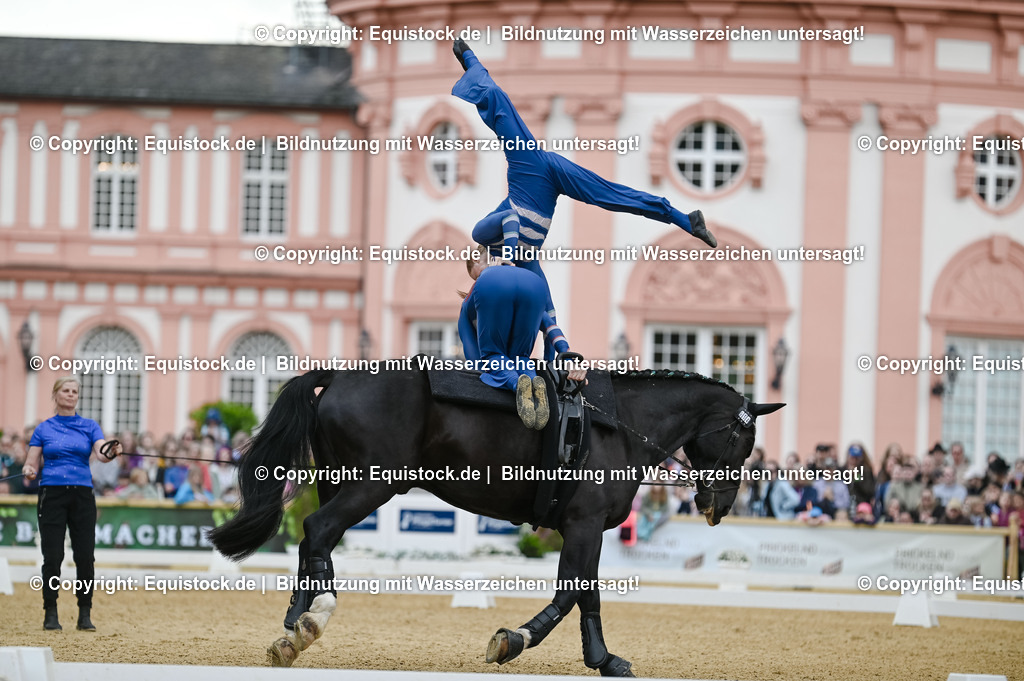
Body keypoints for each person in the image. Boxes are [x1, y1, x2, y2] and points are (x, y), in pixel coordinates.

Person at [451, 40, 715, 356]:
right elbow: (548, 314)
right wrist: (558, 356)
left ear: (480, 256)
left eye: (477, 270)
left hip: (529, 170)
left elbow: (509, 219)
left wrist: (506, 254)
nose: (482, 276)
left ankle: (470, 59)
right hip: (551, 183)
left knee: (500, 106)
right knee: (609, 195)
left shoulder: (484, 234)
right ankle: (686, 220)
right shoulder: (529, 266)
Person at [23, 377, 122, 632]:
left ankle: (84, 613)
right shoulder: (43, 429)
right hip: (52, 494)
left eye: (74, 391)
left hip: (82, 495)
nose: (70, 395)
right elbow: (31, 463)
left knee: (85, 556)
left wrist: (111, 452)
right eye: (66, 391)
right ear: (55, 395)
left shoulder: (89, 426)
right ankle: (51, 612)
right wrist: (29, 469)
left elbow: (101, 453)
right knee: (53, 556)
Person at [458, 248, 585, 429]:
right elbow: (549, 326)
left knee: (492, 355)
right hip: (535, 284)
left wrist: (482, 369)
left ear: (477, 261)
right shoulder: (523, 270)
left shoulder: (472, 298)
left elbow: (470, 347)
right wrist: (567, 356)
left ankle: (517, 384)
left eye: (475, 277)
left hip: (494, 287)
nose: (476, 281)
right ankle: (532, 383)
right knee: (521, 357)